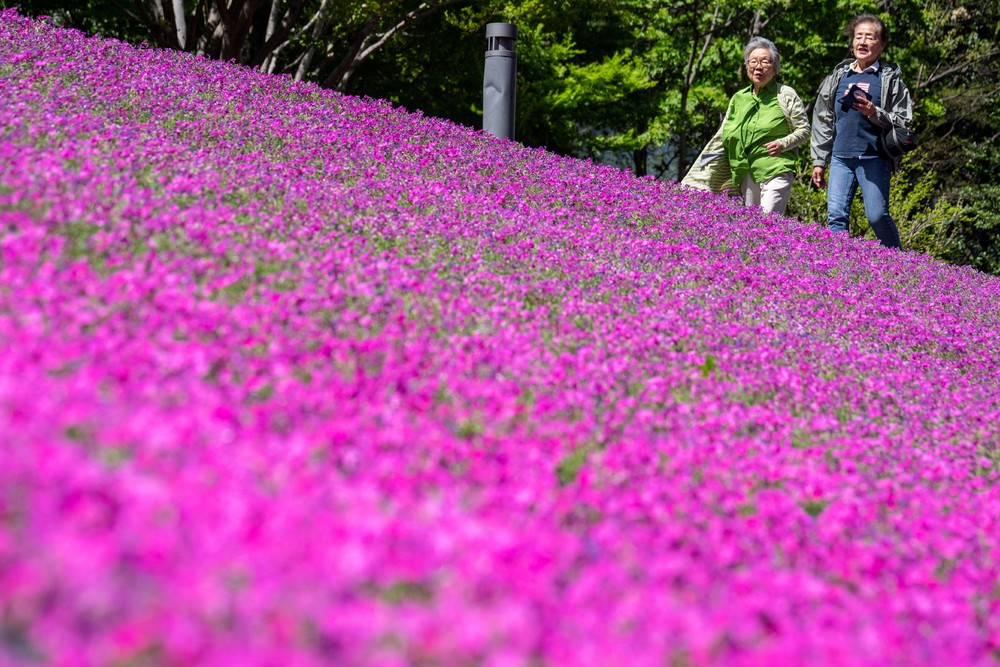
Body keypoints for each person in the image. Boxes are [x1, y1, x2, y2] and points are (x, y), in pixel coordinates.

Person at [810, 13, 914, 248]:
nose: (863, 42)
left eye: (870, 37)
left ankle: (898, 264)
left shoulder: (890, 79)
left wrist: (874, 112)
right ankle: (839, 268)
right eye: (859, 37)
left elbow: (903, 119)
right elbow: (823, 117)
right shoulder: (839, 76)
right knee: (836, 217)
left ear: (882, 44)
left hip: (874, 159)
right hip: (840, 158)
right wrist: (819, 160)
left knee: (877, 216)